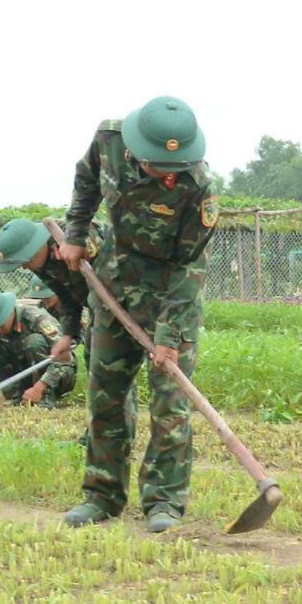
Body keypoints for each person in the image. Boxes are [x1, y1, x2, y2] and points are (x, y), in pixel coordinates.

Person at [53, 97, 217, 533]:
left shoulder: (200, 187)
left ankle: (164, 501)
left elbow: (190, 267)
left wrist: (169, 335)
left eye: (173, 168)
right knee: (105, 396)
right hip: (113, 289)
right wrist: (76, 232)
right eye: (158, 166)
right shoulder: (108, 140)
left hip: (170, 301)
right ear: (135, 150)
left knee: (170, 404)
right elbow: (86, 181)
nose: (167, 175)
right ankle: (101, 495)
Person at [0, 289, 77, 406]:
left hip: (57, 377)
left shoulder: (36, 318)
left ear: (10, 314)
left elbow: (65, 358)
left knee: (34, 341)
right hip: (21, 373)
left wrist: (39, 387)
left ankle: (45, 396)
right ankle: (16, 396)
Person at [0, 216, 92, 344]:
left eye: (24, 261)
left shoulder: (75, 236)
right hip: (97, 306)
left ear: (34, 249)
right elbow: (67, 297)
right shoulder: (39, 263)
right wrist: (68, 336)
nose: (24, 267)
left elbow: (109, 276)